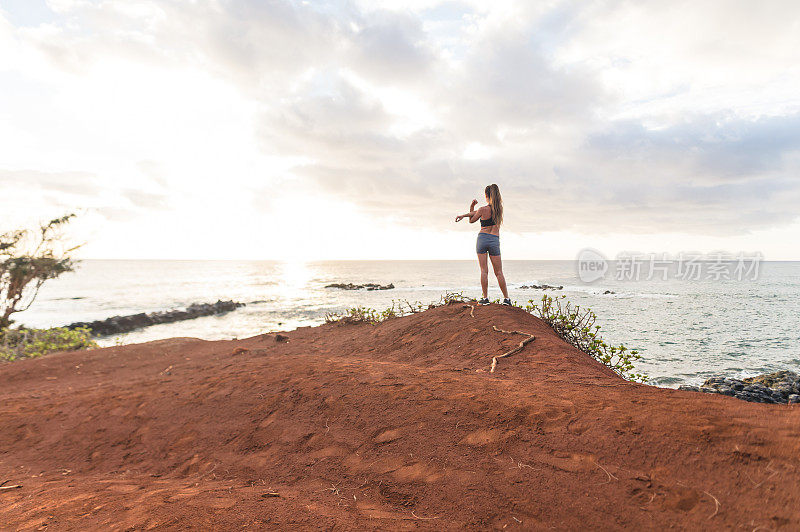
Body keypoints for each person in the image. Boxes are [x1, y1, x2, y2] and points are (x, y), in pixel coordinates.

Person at [455, 184, 511, 306]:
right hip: (494, 240)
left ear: (486, 196)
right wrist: (465, 214)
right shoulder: (499, 209)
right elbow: (474, 213)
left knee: (484, 271)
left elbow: (472, 219)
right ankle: (506, 299)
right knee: (499, 272)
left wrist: (469, 208)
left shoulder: (482, 209)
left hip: (482, 239)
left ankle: (485, 298)